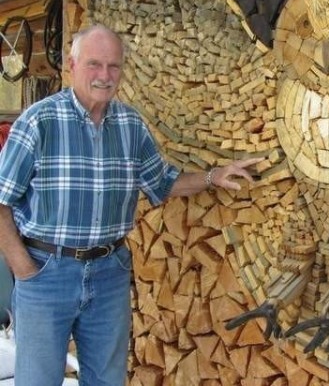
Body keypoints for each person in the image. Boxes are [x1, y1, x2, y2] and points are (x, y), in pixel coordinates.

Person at [0, 24, 262, 386]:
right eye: (94, 64)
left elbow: (162, 183)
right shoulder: (39, 122)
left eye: (113, 66)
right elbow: (1, 199)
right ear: (71, 66)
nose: (104, 76)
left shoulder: (130, 125)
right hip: (47, 273)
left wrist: (213, 176)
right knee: (38, 381)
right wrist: (25, 269)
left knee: (108, 380)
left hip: (109, 273)